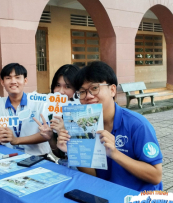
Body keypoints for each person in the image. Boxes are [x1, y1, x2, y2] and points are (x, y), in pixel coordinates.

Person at [57, 61, 163, 192]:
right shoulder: (83, 124)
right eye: (82, 92)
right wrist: (73, 151)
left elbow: (156, 176)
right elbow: (93, 176)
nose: (88, 96)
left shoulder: (138, 125)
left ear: (112, 90)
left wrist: (115, 154)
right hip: (106, 193)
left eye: (94, 88)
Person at [0, 63, 50, 156]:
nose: (13, 81)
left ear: (25, 81)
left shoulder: (39, 102)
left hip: (37, 157)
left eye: (17, 77)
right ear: (2, 82)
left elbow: (47, 134)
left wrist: (17, 140)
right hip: (9, 157)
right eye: (8, 78)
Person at [34, 64, 80, 159]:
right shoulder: (52, 114)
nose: (61, 91)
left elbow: (82, 156)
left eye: (67, 86)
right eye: (57, 85)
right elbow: (60, 155)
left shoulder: (85, 114)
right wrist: (51, 138)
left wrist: (66, 132)